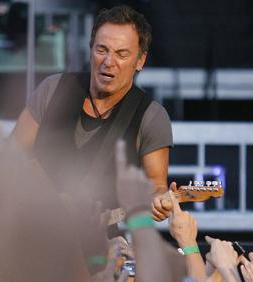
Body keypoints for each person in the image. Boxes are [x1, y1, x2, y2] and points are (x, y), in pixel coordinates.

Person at [11, 5, 173, 220]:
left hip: (102, 239)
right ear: (90, 49)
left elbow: (156, 185)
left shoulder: (151, 116)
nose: (108, 62)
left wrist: (160, 200)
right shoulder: (53, 89)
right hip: (33, 228)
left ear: (140, 61)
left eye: (121, 54)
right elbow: (10, 156)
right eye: (101, 50)